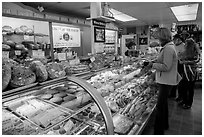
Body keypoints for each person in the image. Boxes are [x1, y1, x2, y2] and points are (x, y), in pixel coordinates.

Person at [147, 27, 181, 134]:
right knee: (163, 105)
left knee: (160, 106)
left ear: (162, 37)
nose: (157, 39)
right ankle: (164, 124)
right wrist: (154, 61)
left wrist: (152, 65)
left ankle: (158, 131)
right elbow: (164, 61)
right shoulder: (168, 47)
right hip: (166, 80)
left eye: (158, 37)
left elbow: (166, 66)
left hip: (166, 81)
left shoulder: (168, 48)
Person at [179, 38, 200, 109]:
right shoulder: (186, 51)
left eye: (186, 44)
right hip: (185, 72)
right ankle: (184, 100)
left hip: (192, 73)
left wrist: (186, 62)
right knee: (184, 87)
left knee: (190, 88)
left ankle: (189, 103)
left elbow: (197, 60)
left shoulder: (195, 50)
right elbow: (182, 57)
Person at [169, 34, 185, 101]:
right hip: (174, 64)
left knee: (180, 81)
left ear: (178, 39)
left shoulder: (184, 46)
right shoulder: (174, 46)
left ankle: (180, 96)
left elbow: (184, 56)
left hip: (180, 64)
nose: (174, 41)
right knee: (174, 79)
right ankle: (173, 94)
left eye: (174, 39)